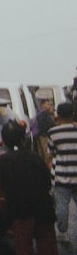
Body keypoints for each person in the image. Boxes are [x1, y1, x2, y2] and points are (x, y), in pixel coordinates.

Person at [0, 119, 59, 255]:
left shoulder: (4, 161)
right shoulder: (34, 157)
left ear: (4, 141)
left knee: (25, 254)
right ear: (23, 140)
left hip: (20, 211)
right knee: (47, 252)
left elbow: (4, 186)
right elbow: (48, 182)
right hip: (43, 209)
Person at [48, 102, 77, 244]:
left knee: (62, 207)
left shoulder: (53, 133)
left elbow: (51, 153)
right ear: (72, 114)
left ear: (57, 115)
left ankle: (63, 233)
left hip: (61, 176)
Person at [31, 97, 56, 169]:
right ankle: (47, 168)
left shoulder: (41, 113)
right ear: (42, 105)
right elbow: (45, 125)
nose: (50, 106)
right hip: (43, 136)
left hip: (38, 135)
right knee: (46, 153)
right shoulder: (43, 114)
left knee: (42, 152)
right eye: (48, 104)